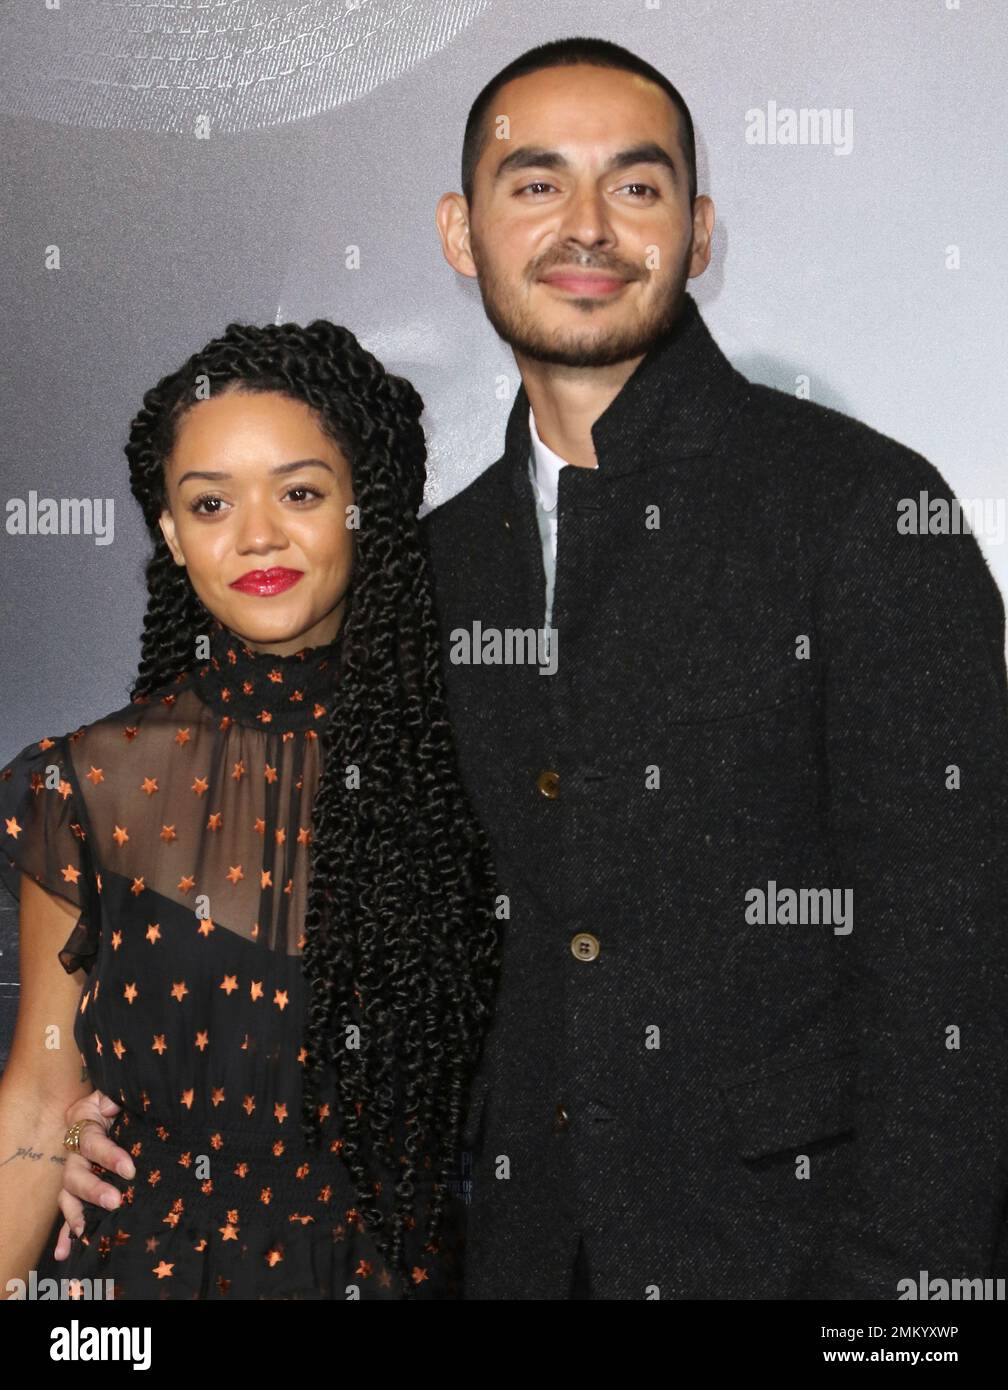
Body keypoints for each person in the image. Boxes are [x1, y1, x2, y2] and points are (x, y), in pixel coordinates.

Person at [55, 35, 1008, 1299]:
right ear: (463, 234)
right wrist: (105, 1114)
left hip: (802, 1260)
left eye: (639, 184)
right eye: (536, 182)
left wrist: (905, 1311)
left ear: (701, 231)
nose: (589, 226)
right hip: (516, 1255)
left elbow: (958, 958)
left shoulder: (862, 508)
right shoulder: (436, 562)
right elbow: (370, 905)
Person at [0, 319, 500, 1300]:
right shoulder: (86, 782)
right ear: (173, 536)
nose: (257, 534)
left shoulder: (476, 769)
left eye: (301, 491)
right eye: (211, 503)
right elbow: (39, 1098)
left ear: (370, 509)